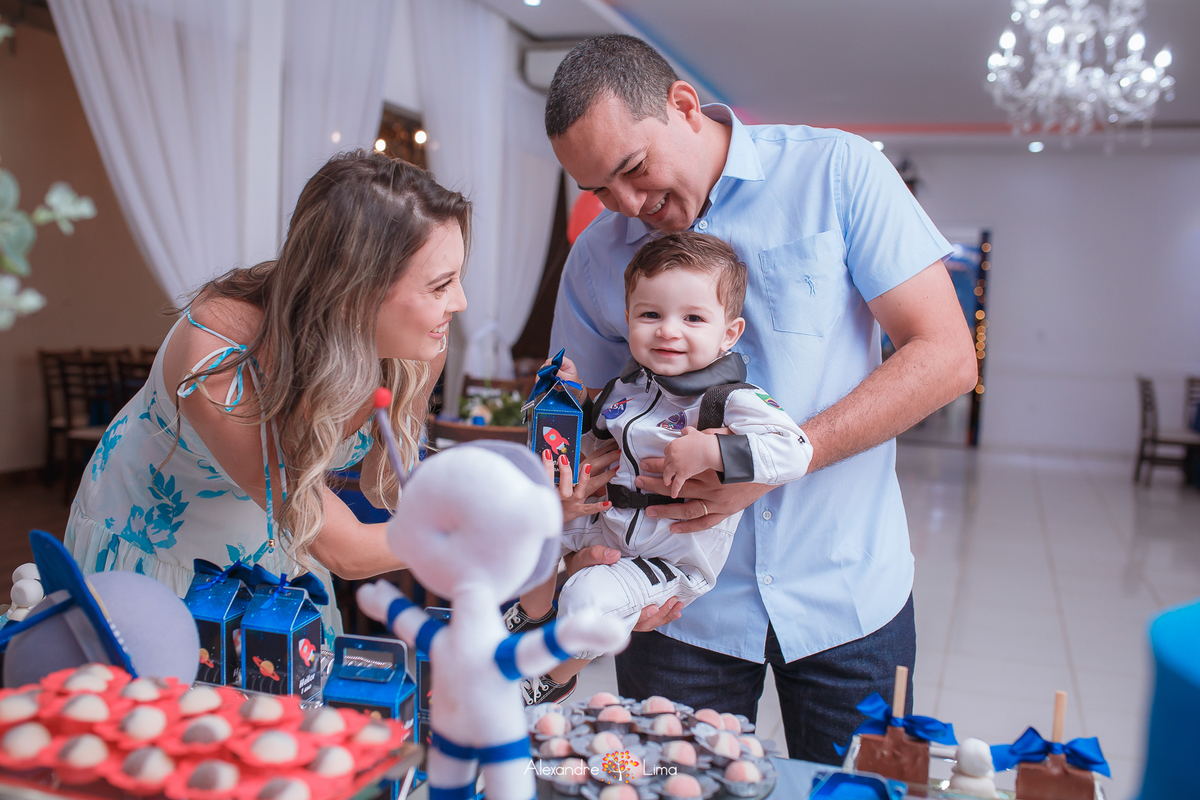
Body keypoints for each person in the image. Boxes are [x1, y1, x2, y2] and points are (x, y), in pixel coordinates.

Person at [544, 35, 977, 763]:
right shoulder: (596, 256)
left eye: (633, 169)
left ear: (684, 106)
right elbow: (573, 415)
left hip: (847, 590)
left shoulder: (835, 172)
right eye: (599, 191)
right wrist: (584, 554)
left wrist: (767, 465)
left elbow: (947, 356)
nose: (627, 206)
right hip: (675, 610)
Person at [64, 151, 619, 642]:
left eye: (457, 278)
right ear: (358, 290)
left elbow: (392, 489)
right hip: (163, 560)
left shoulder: (414, 346)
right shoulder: (220, 363)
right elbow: (345, 550)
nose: (461, 302)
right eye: (439, 285)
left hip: (280, 555)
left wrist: (523, 494)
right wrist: (511, 518)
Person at [516, 232, 813, 706]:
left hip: (668, 557)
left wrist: (713, 451)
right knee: (525, 523)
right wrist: (575, 395)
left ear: (729, 333)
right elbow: (600, 423)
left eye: (693, 318)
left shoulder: (731, 399)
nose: (668, 331)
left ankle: (551, 681)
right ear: (628, 319)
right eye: (650, 315)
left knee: (587, 600)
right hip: (605, 524)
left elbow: (796, 449)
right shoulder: (627, 387)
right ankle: (527, 618)